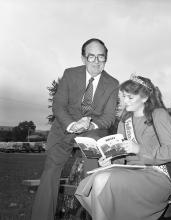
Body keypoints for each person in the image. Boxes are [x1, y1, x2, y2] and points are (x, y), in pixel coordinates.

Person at [75, 74, 171, 220]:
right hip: (129, 172)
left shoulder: (159, 115)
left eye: (130, 97)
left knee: (101, 182)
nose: (124, 101)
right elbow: (121, 157)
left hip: (157, 174)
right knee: (95, 180)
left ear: (145, 98)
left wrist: (138, 149)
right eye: (123, 96)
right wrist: (110, 162)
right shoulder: (125, 121)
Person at [31, 38, 119, 220]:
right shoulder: (70, 74)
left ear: (106, 58)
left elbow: (109, 117)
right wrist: (72, 125)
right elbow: (59, 106)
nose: (96, 61)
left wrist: (89, 124)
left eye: (100, 57)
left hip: (93, 130)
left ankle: (92, 214)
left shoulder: (113, 83)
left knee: (93, 170)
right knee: (51, 170)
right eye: (91, 57)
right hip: (65, 126)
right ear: (83, 58)